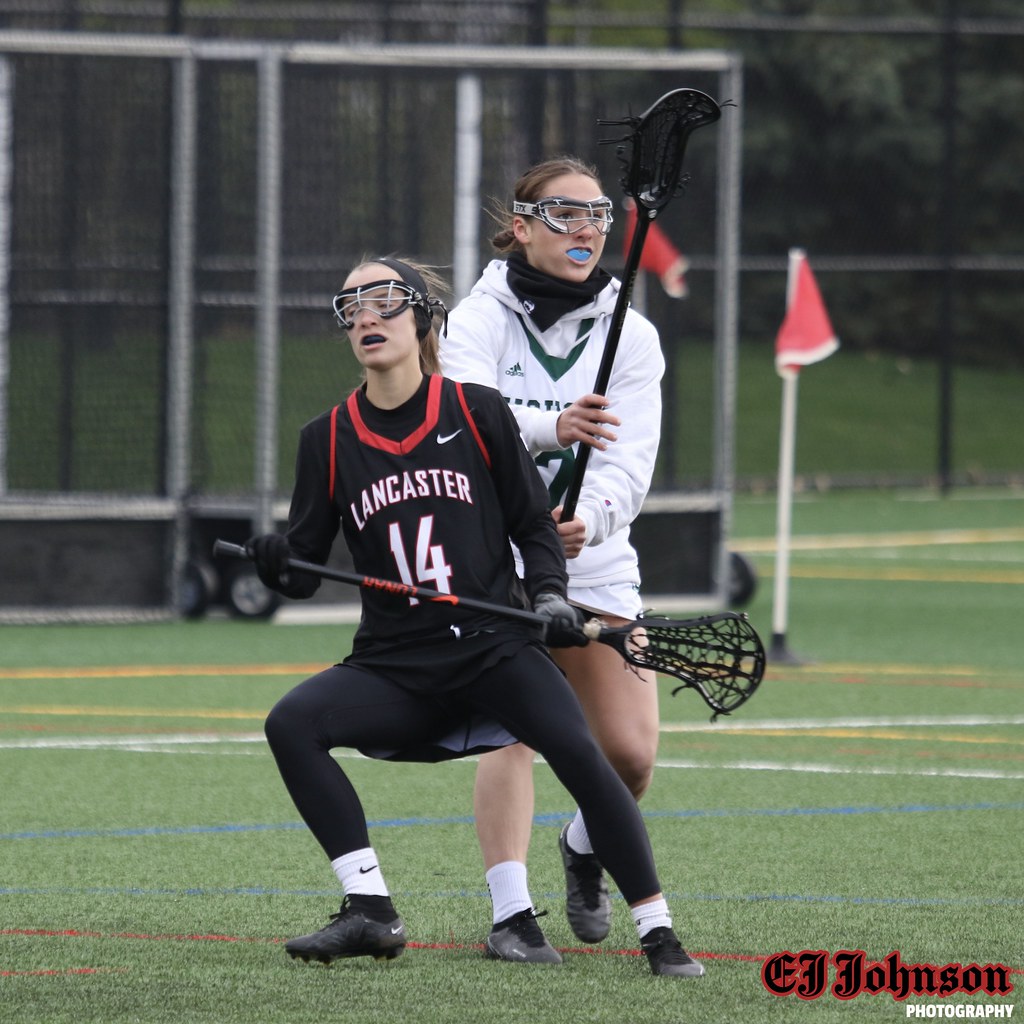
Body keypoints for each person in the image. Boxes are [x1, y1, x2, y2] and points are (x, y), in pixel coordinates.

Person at [247, 256, 703, 978]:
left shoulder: (477, 411)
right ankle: (369, 909)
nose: (366, 316)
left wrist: (549, 598)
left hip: (495, 648)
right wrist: (277, 560)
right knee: (291, 723)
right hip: (396, 665)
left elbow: (533, 527)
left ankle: (659, 934)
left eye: (384, 301)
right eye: (351, 306)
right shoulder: (325, 439)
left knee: (587, 757)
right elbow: (303, 568)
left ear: (423, 317)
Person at [441, 157, 666, 961]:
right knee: (515, 731)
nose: (585, 229)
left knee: (630, 757)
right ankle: (512, 915)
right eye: (564, 214)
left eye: (597, 214)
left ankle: (582, 845)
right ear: (524, 225)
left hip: (593, 563)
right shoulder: (476, 319)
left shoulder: (630, 333)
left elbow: (629, 463)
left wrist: (587, 519)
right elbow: (467, 415)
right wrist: (550, 438)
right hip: (499, 559)